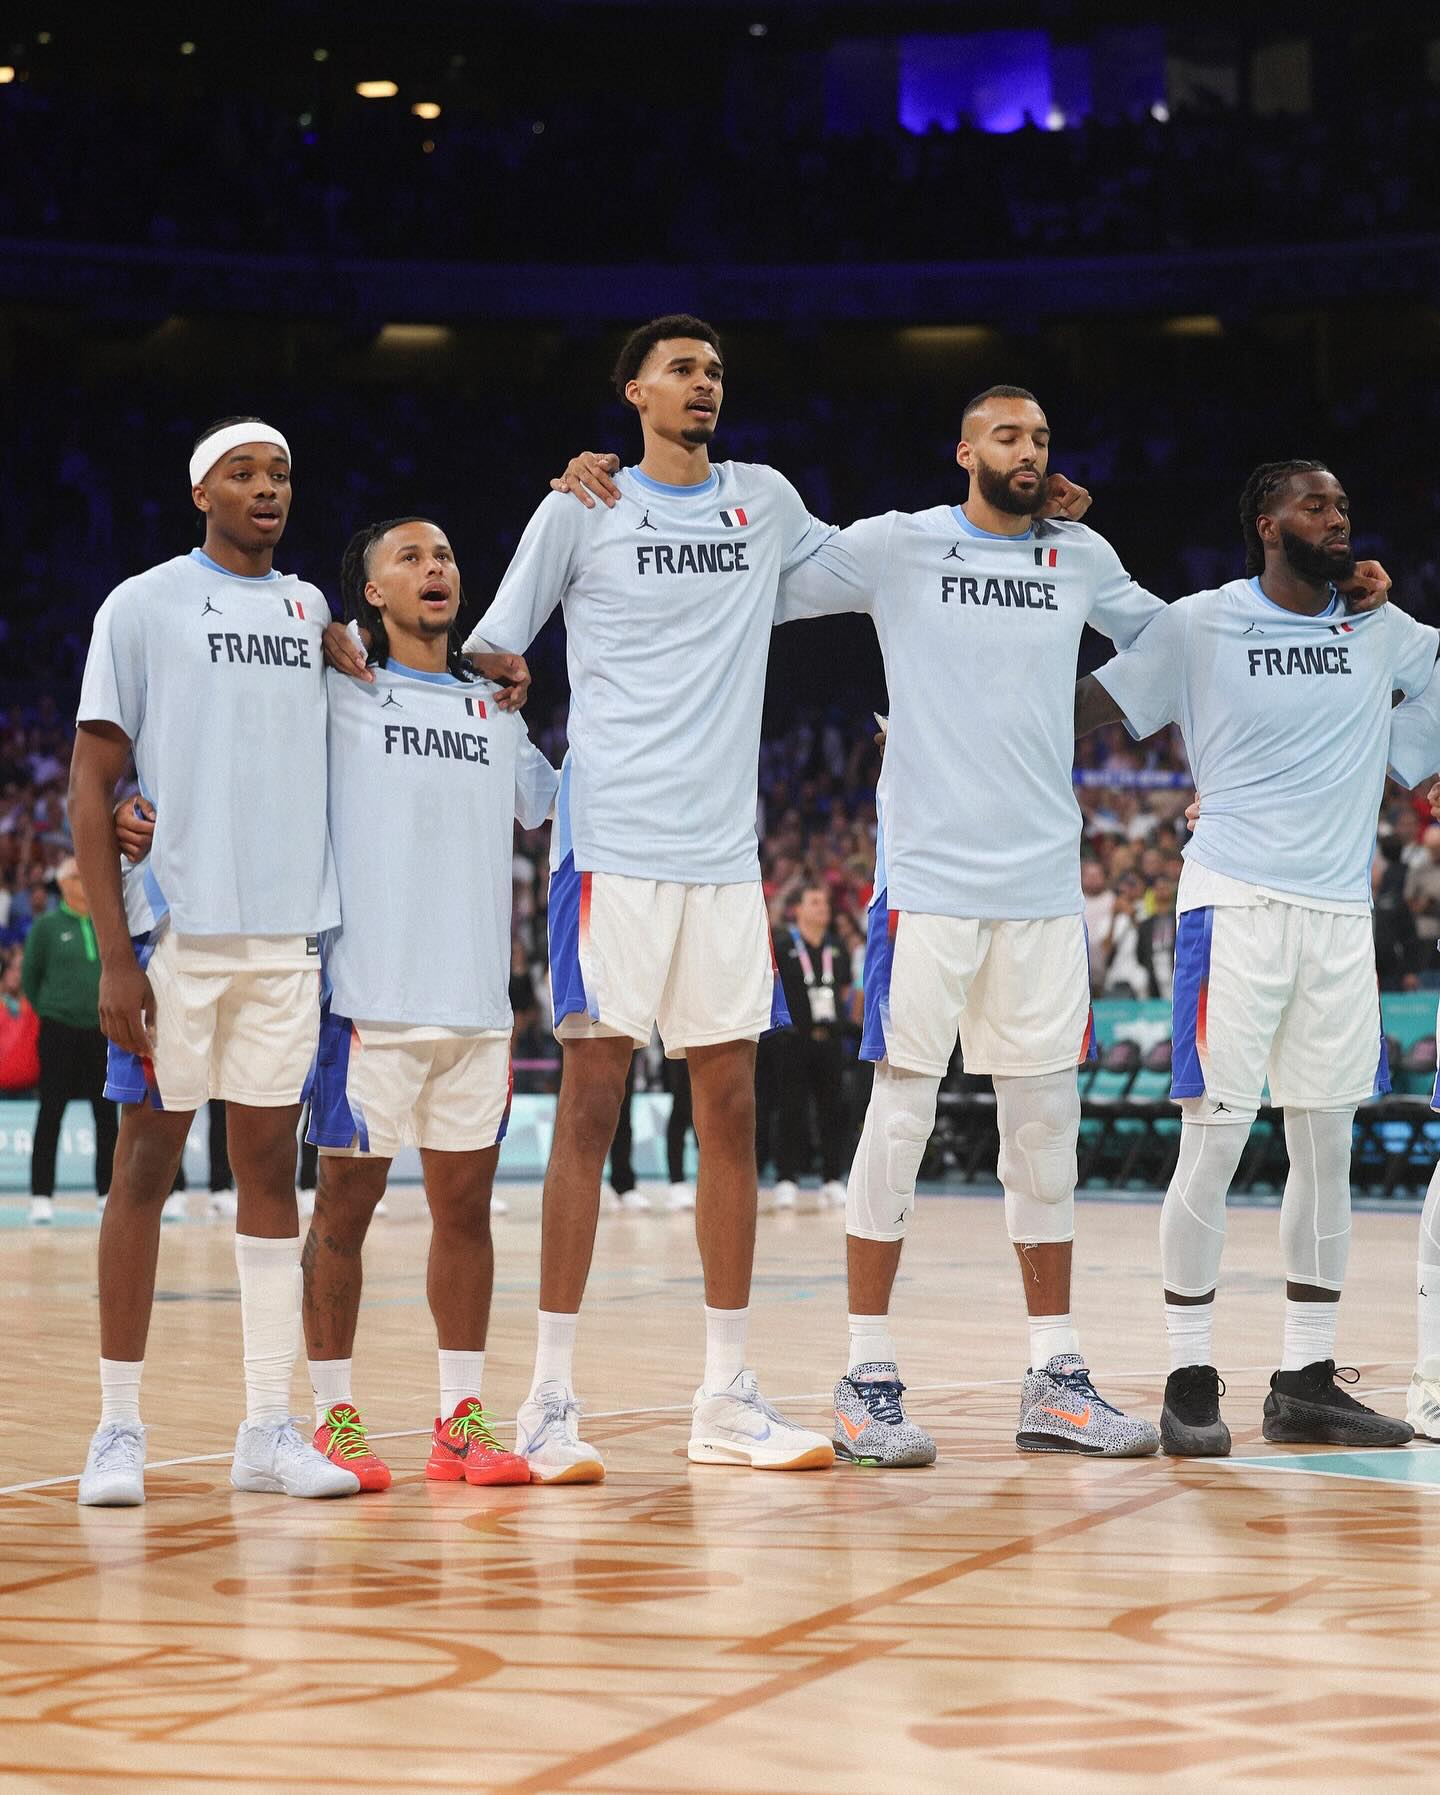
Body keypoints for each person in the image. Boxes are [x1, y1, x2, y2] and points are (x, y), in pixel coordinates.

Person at [431, 314, 890, 1477]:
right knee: (591, 1107)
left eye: (717, 371)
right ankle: (546, 1398)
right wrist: (538, 767)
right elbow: (485, 652)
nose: (705, 384)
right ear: (633, 390)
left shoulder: (767, 501)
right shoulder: (580, 506)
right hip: (613, 849)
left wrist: (999, 529)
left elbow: (862, 566)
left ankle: (725, 1394)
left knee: (729, 1112)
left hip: (723, 858)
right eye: (682, 369)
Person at [1078, 459, 1422, 1455]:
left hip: (1336, 920)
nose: (1339, 516)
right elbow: (1087, 707)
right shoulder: (1201, 623)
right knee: (1216, 1140)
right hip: (1232, 910)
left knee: (1327, 1150)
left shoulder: (1377, 629)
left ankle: (1305, 1380)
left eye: (1345, 504)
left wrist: (1397, 724)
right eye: (1318, 504)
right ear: (1269, 524)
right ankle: (1190, 1375)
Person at [67, 416, 360, 1506]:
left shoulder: (310, 609)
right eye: (242, 473)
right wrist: (114, 956)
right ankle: (118, 1426)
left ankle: (266, 1425)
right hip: (177, 935)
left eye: (280, 473)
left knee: (271, 1177)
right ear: (202, 492)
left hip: (286, 936)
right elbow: (91, 784)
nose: (265, 488)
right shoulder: (140, 604)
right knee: (143, 1167)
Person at [300, 516, 555, 1489]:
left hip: (476, 1007)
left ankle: (459, 1416)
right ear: (370, 592)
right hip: (367, 1001)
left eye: (445, 553)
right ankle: (332, 1416)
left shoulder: (496, 706)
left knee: (467, 1213)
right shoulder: (336, 689)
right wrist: (314, 638)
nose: (434, 567)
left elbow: (547, 801)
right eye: (407, 557)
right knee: (344, 1211)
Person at [21, 855, 117, 1223]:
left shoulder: (105, 923)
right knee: (51, 1112)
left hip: (101, 1030)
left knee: (106, 1115)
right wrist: (51, 1007)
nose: (83, 882)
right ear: (63, 884)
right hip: (58, 1029)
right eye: (77, 876)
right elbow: (31, 975)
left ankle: (106, 1191)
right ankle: (42, 1195)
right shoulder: (46, 927)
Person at [770, 882, 851, 1212]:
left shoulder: (837, 947)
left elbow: (844, 991)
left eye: (825, 903)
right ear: (798, 909)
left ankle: (832, 1179)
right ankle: (786, 1180)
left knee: (834, 1110)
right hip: (793, 1042)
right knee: (790, 1109)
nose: (823, 908)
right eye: (815, 902)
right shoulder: (785, 945)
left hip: (829, 1040)